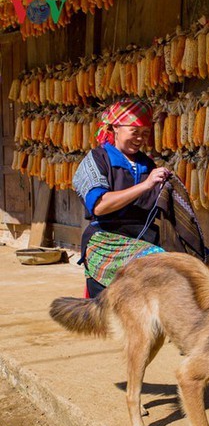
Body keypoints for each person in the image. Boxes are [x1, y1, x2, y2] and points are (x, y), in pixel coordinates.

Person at [73, 98, 172, 298]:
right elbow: (100, 206)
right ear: (115, 128)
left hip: (143, 239)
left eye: (145, 134)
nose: (139, 139)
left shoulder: (148, 165)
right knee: (153, 261)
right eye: (134, 132)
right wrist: (145, 185)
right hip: (105, 240)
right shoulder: (96, 160)